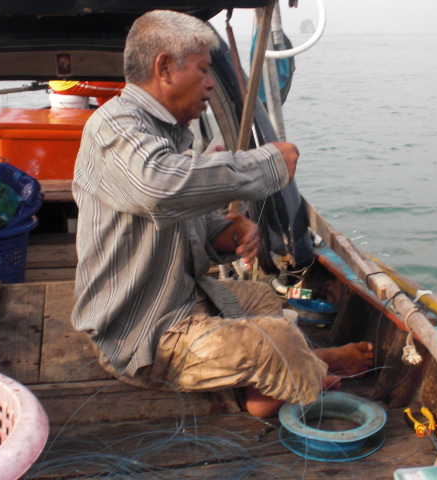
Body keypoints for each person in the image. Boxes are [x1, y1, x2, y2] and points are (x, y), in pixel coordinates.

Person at [71, 9, 373, 418]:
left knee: (264, 298)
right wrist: (267, 165)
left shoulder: (166, 135)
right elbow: (159, 188)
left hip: (183, 298)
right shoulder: (114, 128)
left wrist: (222, 233)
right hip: (141, 332)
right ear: (164, 68)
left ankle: (283, 378)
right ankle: (312, 372)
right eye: (202, 71)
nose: (211, 84)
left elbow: (174, 215)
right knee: (278, 339)